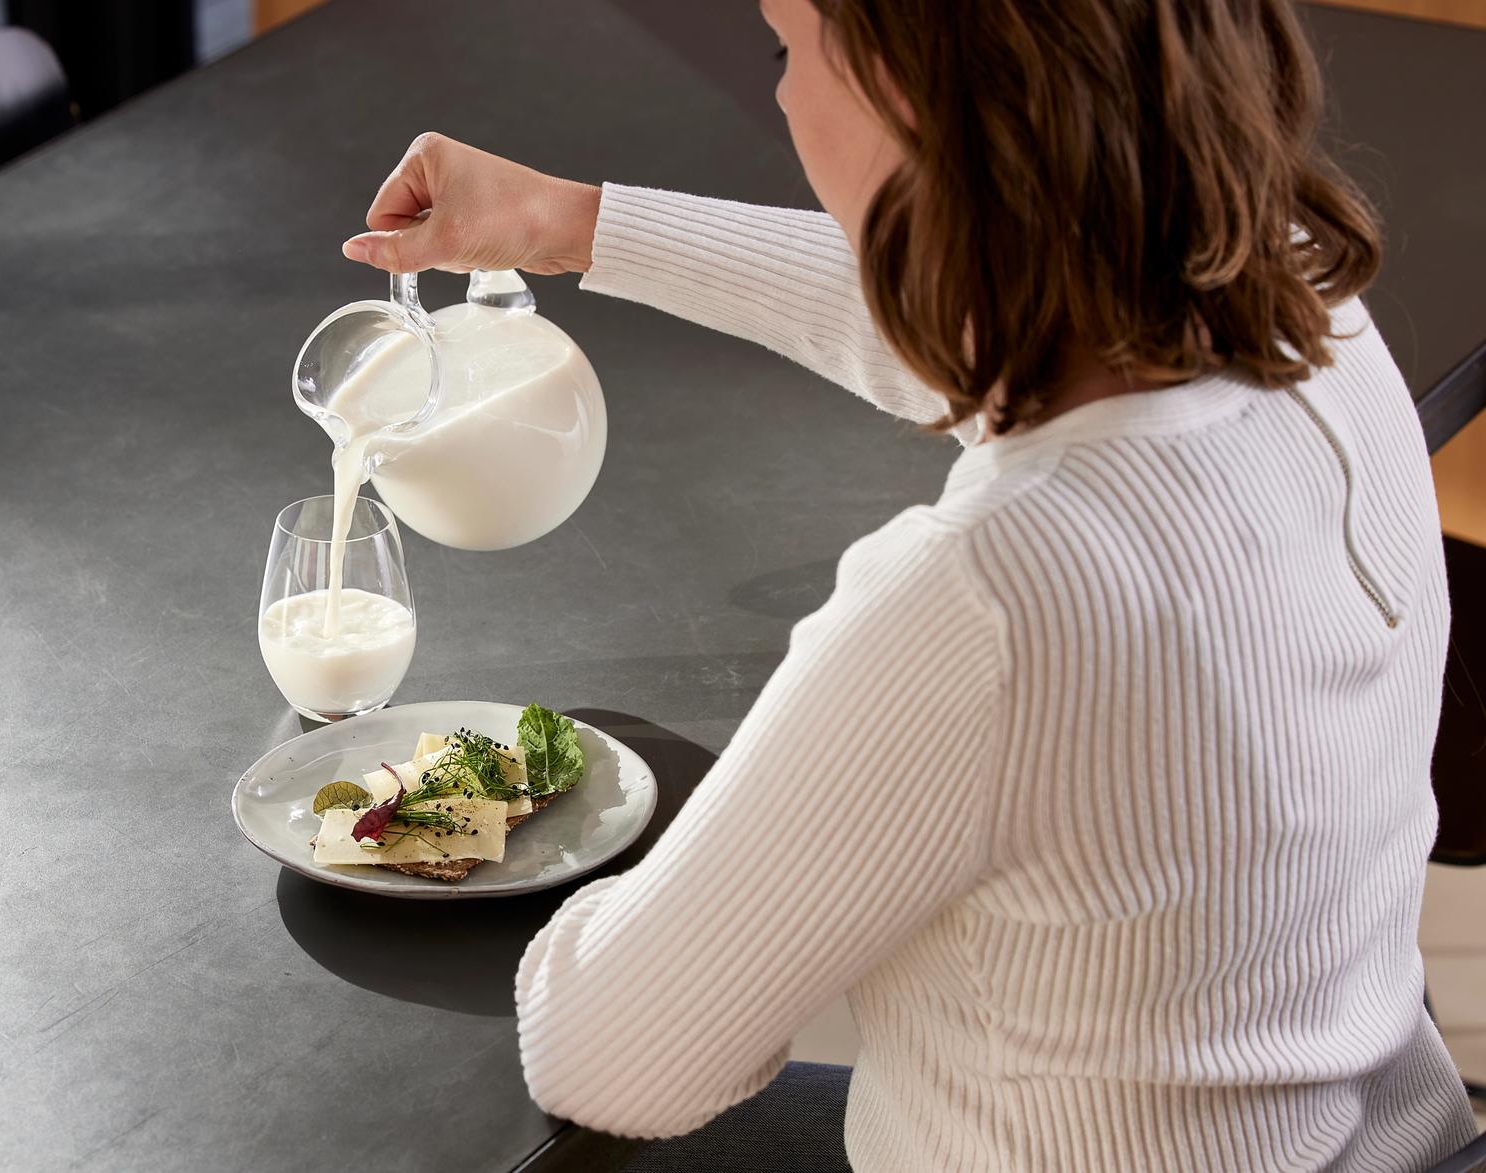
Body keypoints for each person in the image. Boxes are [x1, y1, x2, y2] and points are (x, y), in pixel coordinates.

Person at [342, 1, 1478, 1169]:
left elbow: (606, 1055)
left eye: (789, 50)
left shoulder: (992, 595)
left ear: (908, 98)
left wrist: (640, 852)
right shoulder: (1302, 300)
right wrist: (576, 226)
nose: (781, 97)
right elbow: (995, 315)